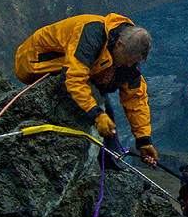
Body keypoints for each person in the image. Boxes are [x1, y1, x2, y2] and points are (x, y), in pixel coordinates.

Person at [14, 13, 158, 167]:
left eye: (134, 62)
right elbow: (73, 79)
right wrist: (96, 115)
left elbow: (135, 99)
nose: (130, 65)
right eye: (128, 60)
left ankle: (109, 159)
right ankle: (103, 157)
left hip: (82, 70)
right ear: (119, 44)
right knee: (97, 104)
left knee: (104, 109)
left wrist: (143, 140)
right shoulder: (90, 35)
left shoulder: (127, 54)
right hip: (38, 63)